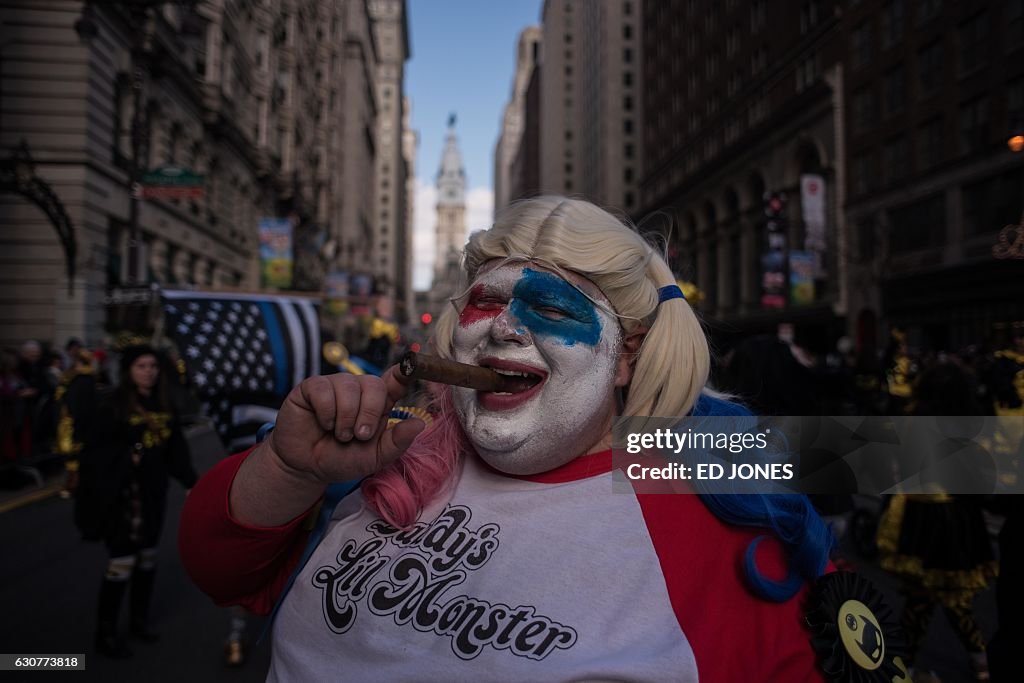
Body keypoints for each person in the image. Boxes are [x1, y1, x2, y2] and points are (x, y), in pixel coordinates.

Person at [179, 197, 885, 681]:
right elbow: (219, 571)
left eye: (549, 306)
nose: (503, 327)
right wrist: (289, 467)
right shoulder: (396, 456)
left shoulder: (708, 516)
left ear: (629, 357)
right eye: (485, 301)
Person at [876, 361, 997, 682]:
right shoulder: (971, 425)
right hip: (957, 522)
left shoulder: (911, 420)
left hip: (919, 520)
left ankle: (906, 666)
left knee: (923, 599)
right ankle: (979, 662)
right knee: (952, 598)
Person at [76, 344, 198, 658]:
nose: (149, 371)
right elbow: (93, 449)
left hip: (153, 493)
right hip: (124, 496)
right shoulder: (115, 404)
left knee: (147, 558)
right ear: (129, 371)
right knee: (122, 561)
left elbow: (176, 452)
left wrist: (192, 483)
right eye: (142, 366)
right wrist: (124, 457)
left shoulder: (163, 403)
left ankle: (139, 623)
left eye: (153, 366)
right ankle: (104, 633)